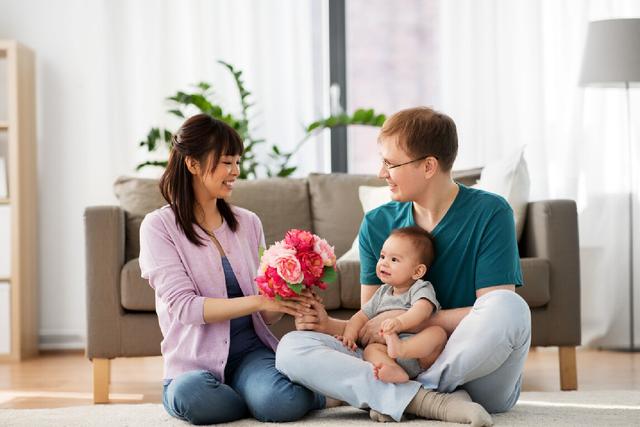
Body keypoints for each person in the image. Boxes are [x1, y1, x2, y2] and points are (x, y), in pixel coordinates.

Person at [276, 106, 530, 426]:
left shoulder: (491, 212)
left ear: (428, 166)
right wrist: (327, 324)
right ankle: (428, 401)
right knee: (292, 348)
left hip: (479, 374)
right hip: (399, 360)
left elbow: (490, 311)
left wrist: (409, 318)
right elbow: (373, 327)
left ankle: (410, 393)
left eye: (390, 163)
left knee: (510, 307)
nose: (382, 173)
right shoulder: (377, 223)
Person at [139, 114, 328, 425]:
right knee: (190, 395)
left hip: (249, 355)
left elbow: (264, 311)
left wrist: (286, 301)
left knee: (281, 402)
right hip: (193, 363)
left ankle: (261, 397)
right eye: (227, 162)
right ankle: (252, 400)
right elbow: (186, 308)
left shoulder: (248, 222)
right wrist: (260, 301)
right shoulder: (159, 227)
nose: (236, 171)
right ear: (193, 164)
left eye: (238, 161)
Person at [336, 226, 448, 385]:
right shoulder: (382, 292)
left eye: (394, 259)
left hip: (418, 352)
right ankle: (393, 370)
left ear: (417, 272)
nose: (384, 263)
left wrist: (399, 322)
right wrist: (349, 336)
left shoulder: (420, 288)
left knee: (438, 333)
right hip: (389, 352)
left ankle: (401, 348)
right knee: (370, 350)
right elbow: (361, 316)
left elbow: (422, 310)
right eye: (382, 256)